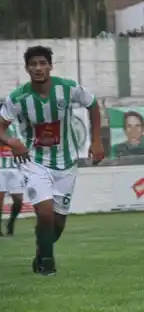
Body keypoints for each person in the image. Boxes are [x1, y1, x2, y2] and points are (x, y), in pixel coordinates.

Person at [0, 46, 104, 275]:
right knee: (44, 213)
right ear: (27, 68)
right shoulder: (18, 97)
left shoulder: (67, 88)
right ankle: (48, 265)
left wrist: (97, 141)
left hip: (66, 163)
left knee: (57, 225)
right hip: (34, 161)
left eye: (42, 63)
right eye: (33, 64)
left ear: (50, 65)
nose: (38, 68)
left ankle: (40, 252)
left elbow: (93, 104)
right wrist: (12, 142)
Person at [0, 124, 25, 236]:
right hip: (1, 167)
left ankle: (11, 222)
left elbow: (19, 141)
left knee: (18, 200)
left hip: (14, 167)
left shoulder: (14, 124)